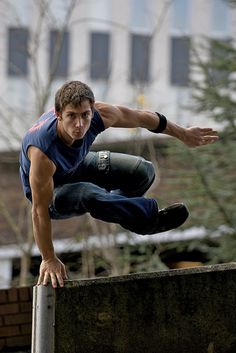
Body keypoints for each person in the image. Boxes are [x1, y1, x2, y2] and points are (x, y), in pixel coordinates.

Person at [19, 80, 219, 288]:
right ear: (59, 115)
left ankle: (124, 211)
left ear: (92, 110)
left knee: (142, 170)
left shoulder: (101, 114)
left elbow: (143, 118)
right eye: (71, 116)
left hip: (76, 166)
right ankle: (147, 220)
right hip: (53, 195)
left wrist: (183, 134)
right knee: (88, 193)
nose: (79, 125)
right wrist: (48, 258)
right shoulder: (43, 152)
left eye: (85, 115)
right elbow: (39, 210)